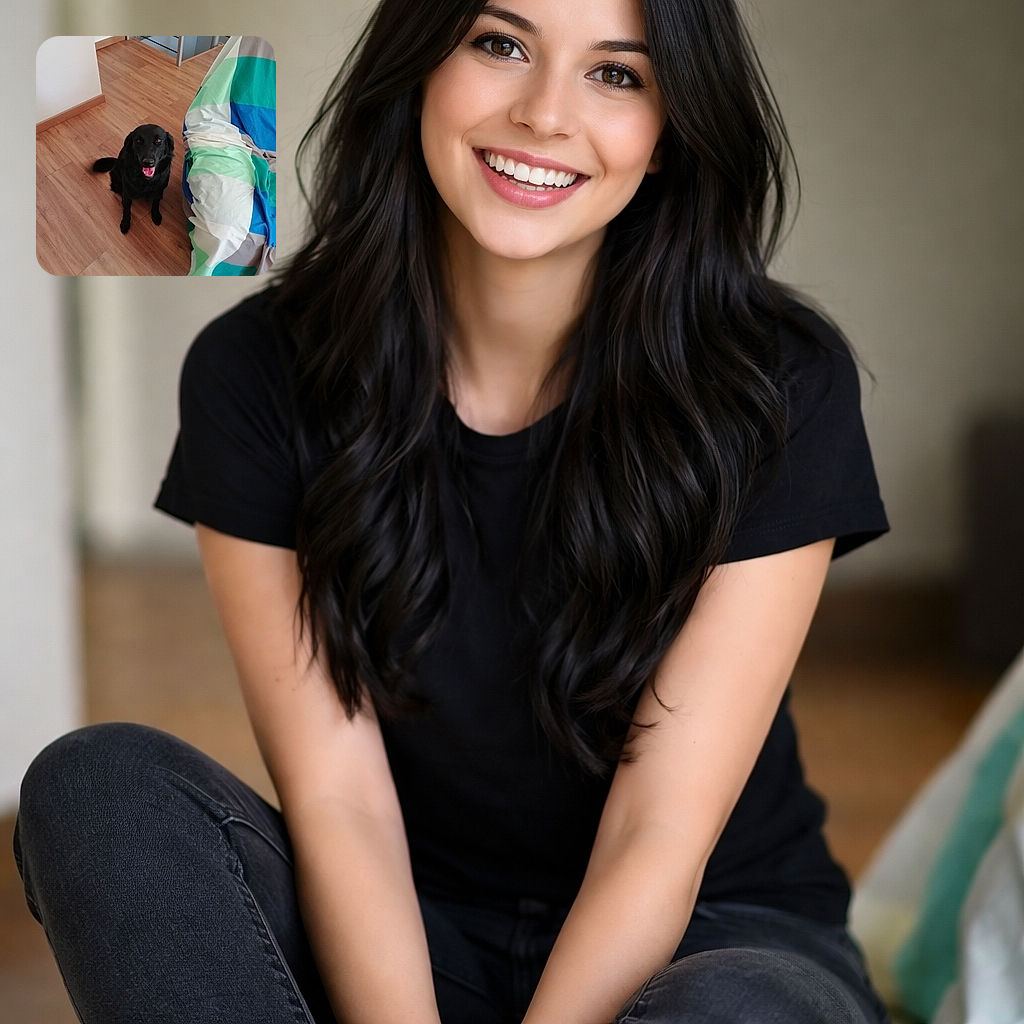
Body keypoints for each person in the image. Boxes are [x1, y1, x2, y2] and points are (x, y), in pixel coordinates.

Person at [14, 0, 893, 1021]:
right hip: (406, 940)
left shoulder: (777, 380)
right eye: (500, 43)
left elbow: (658, 828)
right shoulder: (256, 372)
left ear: (667, 136)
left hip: (709, 937)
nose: (545, 114)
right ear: (421, 66)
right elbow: (339, 804)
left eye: (618, 74)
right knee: (98, 786)